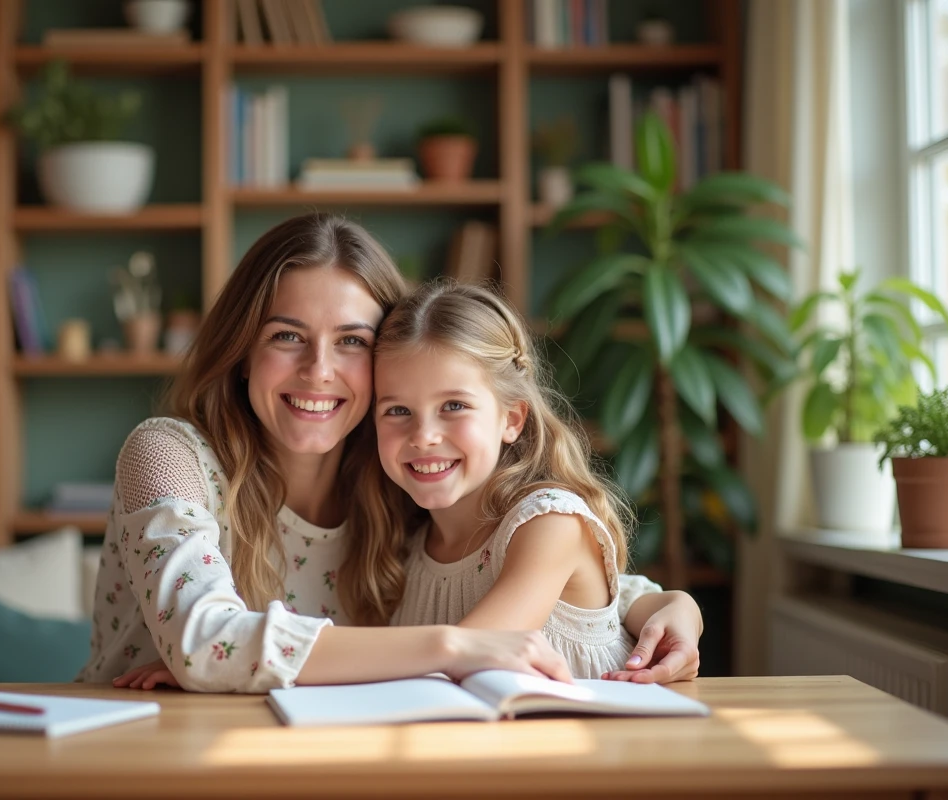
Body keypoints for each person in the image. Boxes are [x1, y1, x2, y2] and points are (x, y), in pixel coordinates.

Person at [83, 213, 701, 693]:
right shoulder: (167, 455)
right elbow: (204, 645)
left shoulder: (393, 485)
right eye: (286, 336)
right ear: (243, 350)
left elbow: (535, 574)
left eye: (351, 341)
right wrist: (218, 670)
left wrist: (665, 603)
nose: (318, 370)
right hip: (141, 753)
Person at [375, 281, 682, 679]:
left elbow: (461, 662)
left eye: (454, 406)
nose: (423, 435)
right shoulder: (407, 544)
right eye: (397, 410)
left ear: (511, 419)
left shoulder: (550, 523)